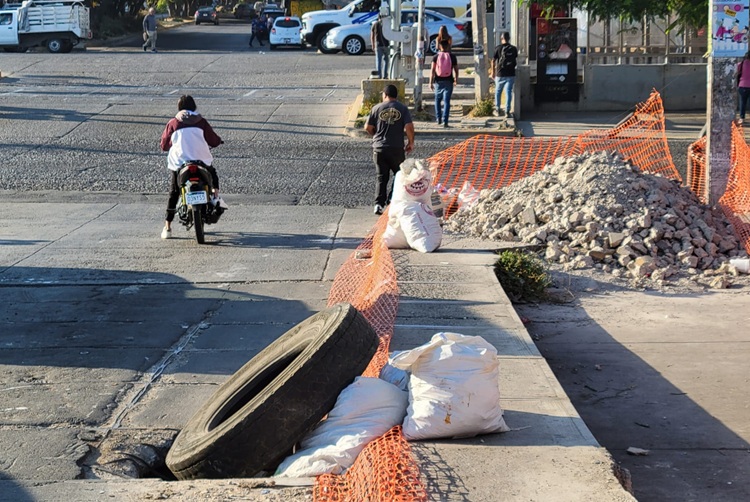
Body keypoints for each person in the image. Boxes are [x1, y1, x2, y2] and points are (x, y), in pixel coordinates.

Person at [159, 95, 223, 239]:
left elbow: (164, 145)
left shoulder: (173, 123)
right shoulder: (201, 122)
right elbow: (213, 140)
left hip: (180, 164)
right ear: (194, 107)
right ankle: (216, 198)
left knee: (174, 192)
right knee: (213, 177)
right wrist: (218, 142)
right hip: (201, 162)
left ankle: (167, 227)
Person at [364, 84, 415, 215]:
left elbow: (367, 127)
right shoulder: (402, 109)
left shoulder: (376, 108)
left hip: (379, 148)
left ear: (385, 95)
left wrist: (376, 135)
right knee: (399, 175)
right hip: (396, 148)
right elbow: (409, 126)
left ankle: (378, 205)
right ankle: (391, 200)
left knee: (381, 177)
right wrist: (410, 142)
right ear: (396, 96)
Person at [429, 39, 458, 128]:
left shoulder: (435, 56)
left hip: (438, 81)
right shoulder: (452, 56)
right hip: (449, 81)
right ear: (448, 46)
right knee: (446, 102)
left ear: (439, 46)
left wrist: (430, 82)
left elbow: (432, 70)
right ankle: (445, 121)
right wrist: (456, 79)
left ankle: (438, 119)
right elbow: (456, 69)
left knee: (437, 101)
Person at [490, 32, 518, 117]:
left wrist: (493, 72)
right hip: (510, 73)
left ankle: (497, 110)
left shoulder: (498, 48)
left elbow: (493, 60)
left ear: (501, 38)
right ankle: (507, 111)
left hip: (500, 73)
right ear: (509, 38)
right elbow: (515, 60)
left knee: (498, 92)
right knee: (508, 92)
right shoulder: (514, 48)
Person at [738, 51, 750, 123]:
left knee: (743, 102)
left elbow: (737, 71)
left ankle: (742, 118)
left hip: (743, 85)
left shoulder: (742, 63)